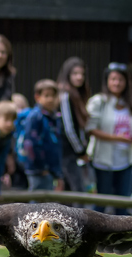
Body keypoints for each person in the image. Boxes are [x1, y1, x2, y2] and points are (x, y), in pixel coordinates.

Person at [85, 62, 132, 215]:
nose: (117, 83)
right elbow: (90, 129)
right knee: (101, 203)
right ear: (107, 81)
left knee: (123, 204)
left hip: (126, 159)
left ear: (126, 82)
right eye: (113, 79)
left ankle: (122, 237)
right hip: (103, 160)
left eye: (120, 79)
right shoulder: (99, 102)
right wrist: (117, 138)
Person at [15, 80, 63, 192]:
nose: (50, 99)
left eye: (53, 95)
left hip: (50, 169)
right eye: (46, 96)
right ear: (37, 97)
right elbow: (31, 144)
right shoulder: (35, 117)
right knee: (37, 203)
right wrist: (41, 167)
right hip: (38, 169)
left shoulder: (54, 118)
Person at [57, 57, 92, 193]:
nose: (79, 77)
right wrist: (80, 151)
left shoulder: (78, 95)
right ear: (68, 75)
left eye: (82, 74)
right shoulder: (65, 95)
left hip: (73, 152)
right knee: (78, 191)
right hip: (67, 152)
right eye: (75, 73)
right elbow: (69, 128)